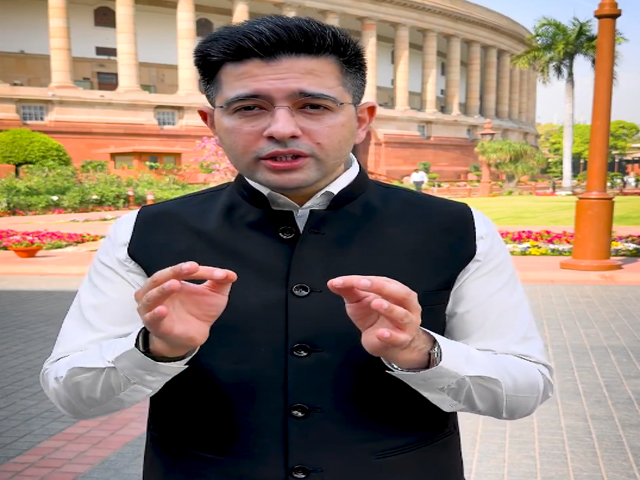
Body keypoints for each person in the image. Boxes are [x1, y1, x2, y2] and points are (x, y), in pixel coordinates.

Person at [41, 15, 553, 480]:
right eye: (249, 108)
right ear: (211, 122)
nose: (282, 128)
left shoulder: (457, 227)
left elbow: (524, 389)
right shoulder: (143, 232)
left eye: (314, 106)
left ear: (362, 119)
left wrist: (423, 353)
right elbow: (70, 393)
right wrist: (155, 350)